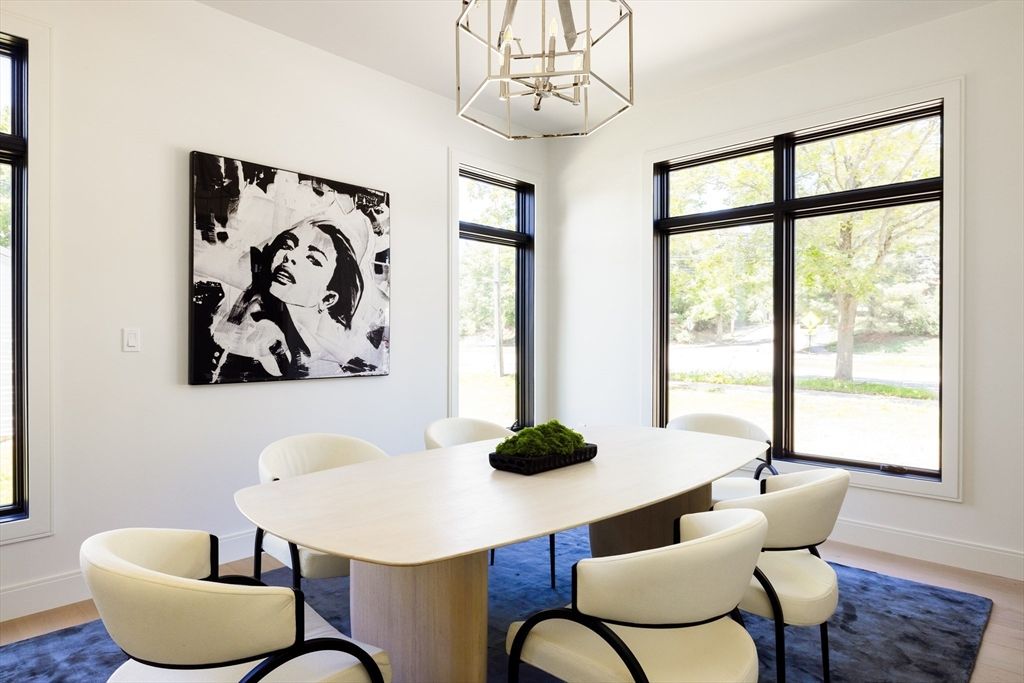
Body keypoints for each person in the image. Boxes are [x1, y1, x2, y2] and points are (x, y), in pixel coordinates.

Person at [208, 216, 364, 382]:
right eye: (287, 246)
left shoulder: (328, 359)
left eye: (313, 259)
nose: (290, 256)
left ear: (328, 299)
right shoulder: (245, 314)